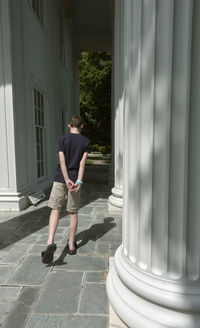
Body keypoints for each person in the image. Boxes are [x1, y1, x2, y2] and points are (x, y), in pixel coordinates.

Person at [41, 114, 90, 264]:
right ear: (81, 126)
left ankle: (50, 242)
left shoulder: (62, 139)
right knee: (73, 212)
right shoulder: (86, 142)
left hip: (60, 179)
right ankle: (71, 245)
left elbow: (62, 161)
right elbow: (82, 164)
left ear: (69, 125)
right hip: (75, 181)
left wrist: (66, 179)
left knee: (55, 209)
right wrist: (78, 181)